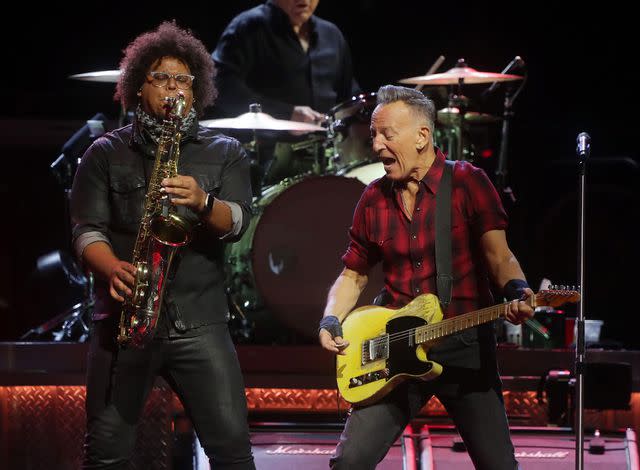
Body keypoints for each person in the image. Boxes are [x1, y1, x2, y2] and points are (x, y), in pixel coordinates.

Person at [318, 85, 534, 470]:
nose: (377, 145)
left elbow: (500, 257)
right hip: (397, 346)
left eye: (388, 134)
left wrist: (516, 290)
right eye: (374, 135)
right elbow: (352, 275)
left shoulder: (469, 183)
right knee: (350, 462)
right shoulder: (373, 198)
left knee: (499, 466)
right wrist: (331, 319)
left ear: (422, 135)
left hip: (464, 345)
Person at [70, 21, 255, 469]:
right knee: (106, 454)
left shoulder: (225, 150)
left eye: (183, 80)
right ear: (137, 87)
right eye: (161, 78)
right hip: (124, 323)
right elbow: (85, 231)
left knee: (232, 454)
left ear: (197, 90)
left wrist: (203, 201)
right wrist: (111, 267)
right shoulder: (104, 153)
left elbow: (238, 222)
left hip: (200, 321)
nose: (173, 87)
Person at [211, 0, 360, 123]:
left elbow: (347, 94)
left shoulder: (332, 34)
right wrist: (286, 113)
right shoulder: (248, 26)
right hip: (267, 151)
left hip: (328, 152)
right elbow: (221, 88)